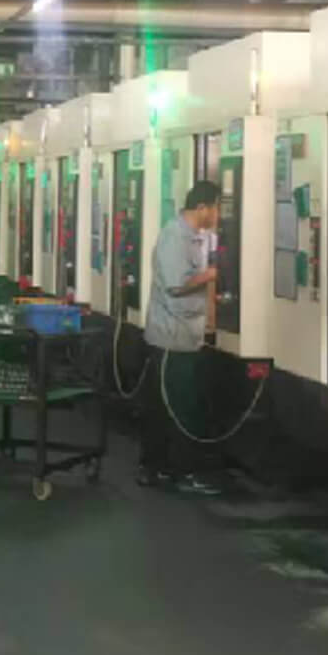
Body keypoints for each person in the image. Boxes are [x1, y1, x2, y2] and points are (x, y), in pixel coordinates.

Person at [139, 180, 224, 495]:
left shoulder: (196, 237)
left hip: (185, 337)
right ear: (202, 208)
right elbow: (176, 283)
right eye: (216, 208)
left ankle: (158, 468)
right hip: (171, 338)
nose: (218, 214)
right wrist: (212, 274)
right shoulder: (175, 236)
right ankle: (179, 471)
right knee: (178, 409)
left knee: (170, 406)